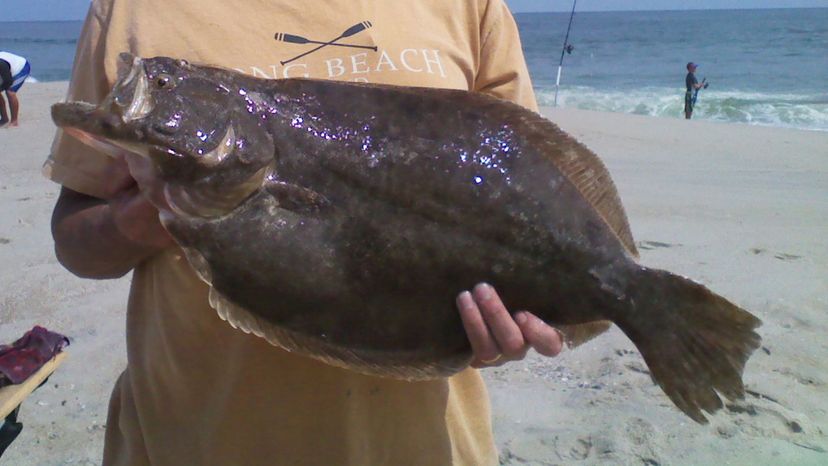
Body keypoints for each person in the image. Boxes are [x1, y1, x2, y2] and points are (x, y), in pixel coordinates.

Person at [45, 1, 583, 464]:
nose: (153, 89)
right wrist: (150, 215)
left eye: (165, 84)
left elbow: (525, 189)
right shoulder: (129, 10)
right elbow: (75, 239)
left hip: (424, 445)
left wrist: (510, 319)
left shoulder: (468, 7)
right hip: (191, 441)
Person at [0, 51, 31, 127]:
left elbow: (8, 82)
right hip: (7, 70)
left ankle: (14, 121)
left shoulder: (1, 64)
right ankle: (4, 119)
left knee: (10, 92)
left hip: (21, 68)